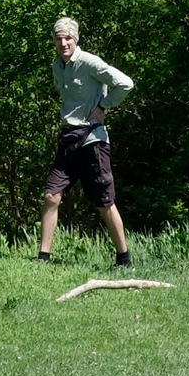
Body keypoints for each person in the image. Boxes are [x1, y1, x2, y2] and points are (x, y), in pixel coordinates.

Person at [39, 16, 134, 266]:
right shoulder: (57, 67)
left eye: (67, 37)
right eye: (58, 38)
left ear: (75, 39)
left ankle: (123, 258)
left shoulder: (90, 62)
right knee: (51, 196)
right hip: (69, 139)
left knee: (104, 203)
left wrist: (103, 105)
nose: (63, 42)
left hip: (93, 140)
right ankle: (43, 257)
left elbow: (125, 83)